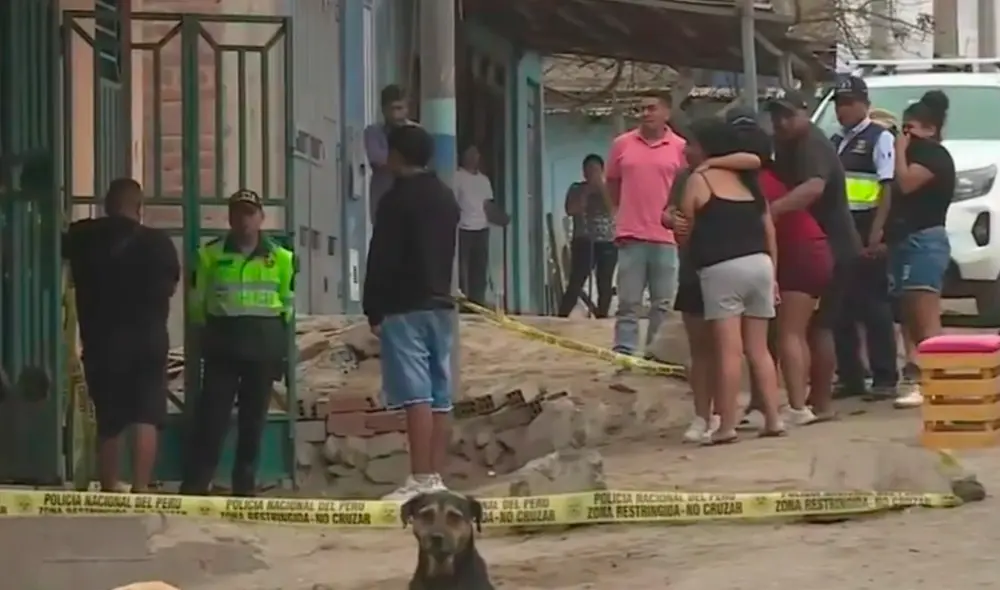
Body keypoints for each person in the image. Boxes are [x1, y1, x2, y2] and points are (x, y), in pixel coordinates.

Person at [63, 178, 180, 492]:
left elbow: (59, 245)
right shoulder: (159, 243)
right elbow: (171, 286)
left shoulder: (84, 237)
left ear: (106, 205)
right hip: (148, 340)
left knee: (109, 418)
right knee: (147, 414)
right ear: (140, 209)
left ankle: (110, 487)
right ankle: (141, 489)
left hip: (103, 342)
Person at [364, 124, 460, 500]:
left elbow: (381, 257)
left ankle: (420, 478)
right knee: (440, 393)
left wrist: (373, 307)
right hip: (440, 304)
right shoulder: (445, 197)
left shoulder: (395, 200)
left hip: (404, 305)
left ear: (398, 155)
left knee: (416, 394)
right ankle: (436, 477)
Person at [180, 189, 296, 497]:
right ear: (229, 218)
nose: (244, 220)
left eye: (249, 213)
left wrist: (279, 350)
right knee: (212, 418)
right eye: (238, 213)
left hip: (263, 348)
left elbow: (287, 304)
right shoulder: (210, 255)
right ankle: (197, 484)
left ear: (261, 218)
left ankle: (244, 486)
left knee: (253, 421)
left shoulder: (282, 258)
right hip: (224, 347)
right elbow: (197, 303)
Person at [677, 118, 785, 444]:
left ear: (706, 148)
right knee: (760, 349)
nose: (686, 149)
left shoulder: (699, 179)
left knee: (728, 351)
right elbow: (769, 230)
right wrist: (774, 275)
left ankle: (725, 425)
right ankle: (774, 418)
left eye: (691, 143)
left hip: (722, 268)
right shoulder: (749, 180)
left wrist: (678, 226)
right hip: (761, 264)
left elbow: (686, 230)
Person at [729, 112, 834, 426]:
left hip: (800, 254)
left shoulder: (754, 185)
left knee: (789, 332)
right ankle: (770, 404)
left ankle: (798, 406)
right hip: (806, 251)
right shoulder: (766, 179)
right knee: (779, 335)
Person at [767, 90, 862, 421]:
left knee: (818, 327)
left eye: (787, 115)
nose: (780, 122)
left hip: (832, 246)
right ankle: (812, 399)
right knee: (811, 328)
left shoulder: (811, 143)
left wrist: (774, 210)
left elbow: (813, 187)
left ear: (805, 112)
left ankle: (819, 401)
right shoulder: (786, 144)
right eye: (776, 115)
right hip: (814, 244)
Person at [829, 76, 899, 400]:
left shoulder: (879, 138)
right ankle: (851, 376)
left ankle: (885, 377)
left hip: (867, 226)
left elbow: (887, 187)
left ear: (864, 104)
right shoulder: (836, 141)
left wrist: (878, 232)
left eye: (848, 103)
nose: (842, 110)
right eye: (838, 104)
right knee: (841, 306)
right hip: (842, 231)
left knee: (874, 307)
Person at [887, 91, 955, 409]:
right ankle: (917, 375)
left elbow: (906, 183)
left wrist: (899, 151)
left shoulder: (934, 157)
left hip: (926, 241)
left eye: (910, 129)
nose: (905, 136)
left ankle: (932, 379)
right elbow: (891, 196)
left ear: (929, 129)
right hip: (903, 239)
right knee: (908, 316)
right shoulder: (915, 154)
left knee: (925, 315)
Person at [606, 90, 685, 356]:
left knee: (662, 303)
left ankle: (655, 353)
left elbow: (686, 188)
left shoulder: (680, 148)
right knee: (628, 301)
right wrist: (617, 212)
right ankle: (624, 352)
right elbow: (612, 182)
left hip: (666, 236)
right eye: (642, 109)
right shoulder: (622, 144)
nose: (646, 114)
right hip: (631, 233)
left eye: (652, 108)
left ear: (667, 113)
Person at [558, 154, 617, 318]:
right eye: (589, 170)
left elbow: (612, 210)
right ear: (584, 172)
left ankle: (602, 316)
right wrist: (587, 192)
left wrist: (601, 188)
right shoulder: (576, 188)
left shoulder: (610, 189)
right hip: (583, 240)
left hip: (607, 241)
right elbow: (571, 209)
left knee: (604, 284)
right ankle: (561, 316)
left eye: (596, 170)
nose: (592, 173)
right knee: (576, 281)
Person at [455, 145, 507, 306]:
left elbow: (487, 204)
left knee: (479, 269)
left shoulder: (484, 180)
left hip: (482, 229)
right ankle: (464, 304)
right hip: (463, 229)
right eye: (470, 153)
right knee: (463, 270)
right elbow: (453, 203)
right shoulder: (457, 177)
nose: (474, 156)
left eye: (476, 153)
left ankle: (477, 304)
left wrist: (501, 217)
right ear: (463, 156)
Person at [364, 84, 414, 223]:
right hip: (383, 197)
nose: (396, 114)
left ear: (407, 109)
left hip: (410, 200)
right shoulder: (374, 132)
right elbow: (378, 161)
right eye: (392, 108)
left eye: (400, 108)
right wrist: (405, 167)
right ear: (384, 110)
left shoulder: (416, 133)